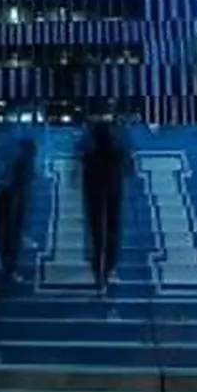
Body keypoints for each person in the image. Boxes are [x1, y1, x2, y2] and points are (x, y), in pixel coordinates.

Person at [79, 121, 132, 298]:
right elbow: (82, 152)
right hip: (98, 183)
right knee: (100, 230)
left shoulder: (118, 133)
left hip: (109, 183)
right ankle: (102, 271)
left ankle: (107, 268)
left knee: (110, 228)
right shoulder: (92, 134)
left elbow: (125, 156)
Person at [0, 137, 36, 280]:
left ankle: (4, 267)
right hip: (10, 202)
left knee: (6, 235)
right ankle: (6, 268)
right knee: (9, 236)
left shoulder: (17, 163)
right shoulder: (21, 163)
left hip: (8, 201)